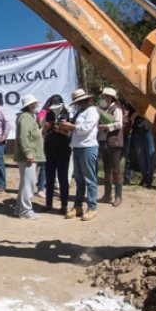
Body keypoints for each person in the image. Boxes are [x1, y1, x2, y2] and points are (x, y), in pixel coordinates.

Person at [59, 89, 100, 221]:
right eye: (77, 102)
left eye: (81, 101)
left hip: (88, 147)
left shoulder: (92, 111)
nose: (78, 104)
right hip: (77, 147)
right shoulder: (79, 112)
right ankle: (78, 205)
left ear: (87, 100)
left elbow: (85, 129)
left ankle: (92, 207)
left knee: (90, 179)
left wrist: (71, 126)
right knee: (79, 179)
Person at [13, 94, 44, 220]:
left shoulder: (29, 117)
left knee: (25, 183)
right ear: (30, 105)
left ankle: (19, 208)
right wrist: (28, 153)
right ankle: (26, 210)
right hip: (28, 157)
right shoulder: (25, 118)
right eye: (34, 104)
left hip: (29, 156)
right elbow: (24, 137)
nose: (36, 105)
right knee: (29, 183)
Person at [42, 96, 72, 214]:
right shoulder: (48, 115)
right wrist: (47, 128)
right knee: (49, 179)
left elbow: (70, 133)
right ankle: (48, 203)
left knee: (63, 179)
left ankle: (64, 205)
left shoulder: (67, 114)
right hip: (50, 151)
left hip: (63, 151)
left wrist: (59, 129)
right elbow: (43, 132)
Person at [96, 87, 125, 207]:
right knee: (107, 169)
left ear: (111, 97)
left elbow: (119, 124)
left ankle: (118, 195)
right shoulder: (105, 109)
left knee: (116, 169)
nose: (104, 99)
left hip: (114, 141)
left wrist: (106, 126)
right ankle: (107, 195)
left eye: (106, 97)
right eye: (103, 97)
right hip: (104, 141)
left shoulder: (116, 109)